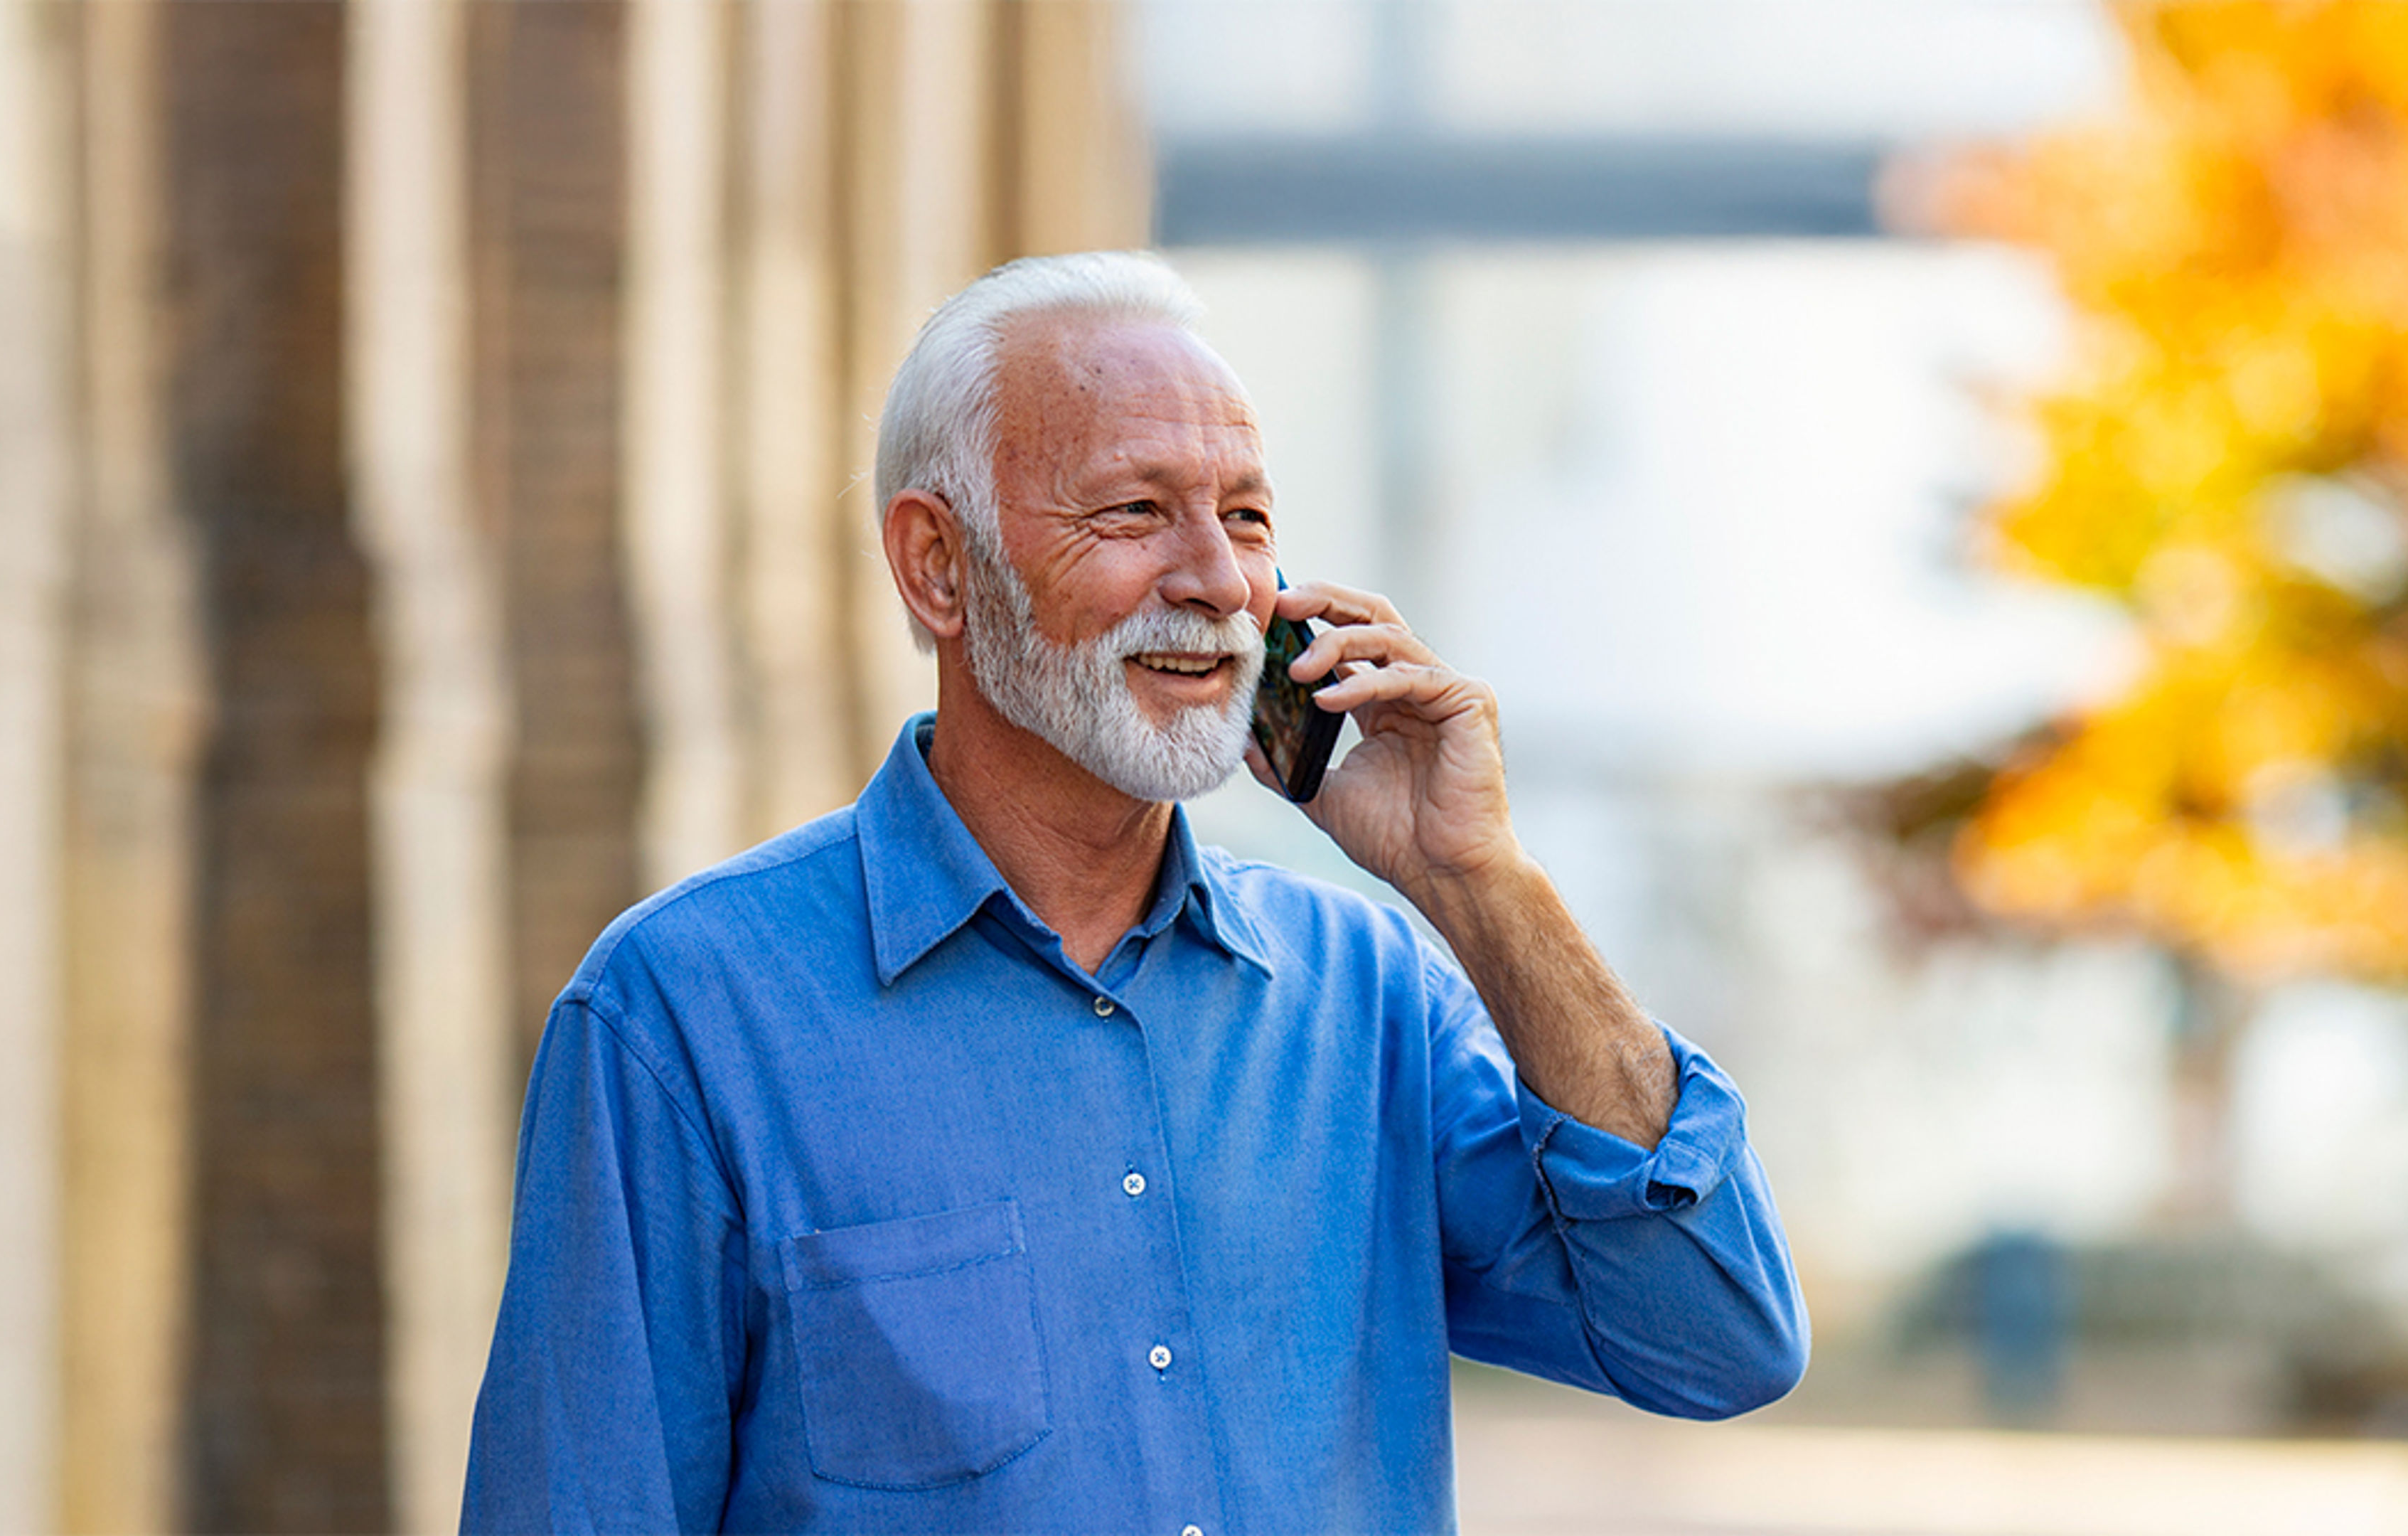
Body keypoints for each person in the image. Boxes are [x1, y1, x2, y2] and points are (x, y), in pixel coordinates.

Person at [461, 251, 1804, 1533]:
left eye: (1247, 518)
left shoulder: (1369, 996)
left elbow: (1716, 1334)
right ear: (940, 566)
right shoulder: (687, 1016)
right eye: (1134, 511)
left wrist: (1481, 882)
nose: (1217, 582)